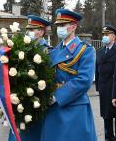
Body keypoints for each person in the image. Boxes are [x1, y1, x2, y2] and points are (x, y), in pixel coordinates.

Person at [40, 9, 97, 141]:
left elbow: (84, 80)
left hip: (73, 106)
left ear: (74, 26)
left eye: (63, 25)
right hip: (53, 108)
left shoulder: (85, 50)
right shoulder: (54, 51)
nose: (59, 28)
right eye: (58, 25)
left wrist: (57, 96)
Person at [8, 15, 51, 141]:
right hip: (19, 98)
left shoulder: (47, 51)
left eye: (33, 29)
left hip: (35, 102)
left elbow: (48, 78)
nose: (29, 32)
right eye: (28, 29)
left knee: (33, 135)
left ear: (42, 31)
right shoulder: (22, 48)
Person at [95, 25, 116, 141]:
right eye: (103, 35)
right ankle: (108, 139)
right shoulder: (99, 52)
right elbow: (97, 70)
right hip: (104, 88)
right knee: (106, 117)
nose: (104, 37)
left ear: (113, 37)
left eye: (107, 35)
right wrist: (98, 86)